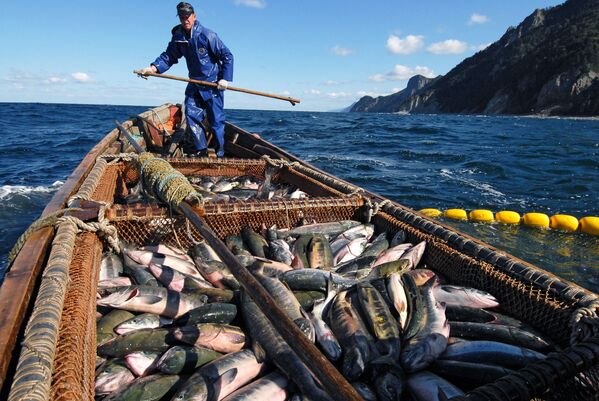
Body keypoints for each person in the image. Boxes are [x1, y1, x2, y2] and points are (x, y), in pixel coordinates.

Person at [138, 2, 234, 157]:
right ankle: (202, 152)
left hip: (213, 85)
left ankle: (220, 154)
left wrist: (225, 78)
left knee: (216, 121)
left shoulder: (208, 35)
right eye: (182, 17)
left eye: (187, 17)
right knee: (191, 116)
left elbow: (227, 56)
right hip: (194, 83)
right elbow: (169, 56)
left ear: (194, 16)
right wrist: (153, 68)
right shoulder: (178, 36)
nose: (185, 20)